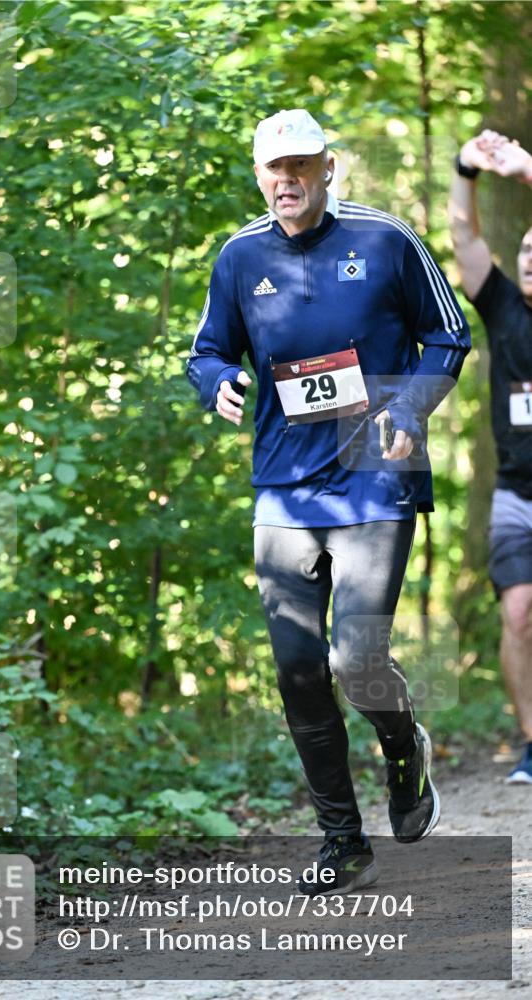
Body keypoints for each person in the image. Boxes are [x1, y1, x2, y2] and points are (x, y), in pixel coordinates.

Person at [187, 108, 471, 894]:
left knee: (356, 657)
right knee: (296, 669)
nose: (287, 180)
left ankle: (400, 744)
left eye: (302, 166)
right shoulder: (239, 256)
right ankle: (341, 841)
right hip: (284, 484)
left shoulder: (384, 240)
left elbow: (448, 335)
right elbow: (207, 349)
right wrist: (218, 382)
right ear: (256, 174)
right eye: (273, 168)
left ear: (329, 167)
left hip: (377, 477)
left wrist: (408, 408)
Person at [448, 129, 532, 784]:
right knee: (517, 613)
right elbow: (465, 241)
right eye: (524, 250)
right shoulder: (503, 307)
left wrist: (526, 170)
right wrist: (465, 170)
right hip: (513, 490)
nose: (528, 259)